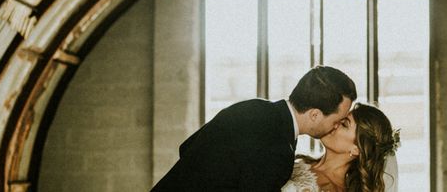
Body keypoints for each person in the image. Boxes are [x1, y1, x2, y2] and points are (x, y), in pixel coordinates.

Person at [150, 65, 356, 191]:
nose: (336, 126)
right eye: (337, 120)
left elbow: (186, 147)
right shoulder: (278, 152)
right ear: (315, 114)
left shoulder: (252, 106)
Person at [282, 103, 399, 192]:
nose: (335, 124)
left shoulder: (332, 188)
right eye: (339, 119)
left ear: (356, 149)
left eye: (344, 124)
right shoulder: (297, 161)